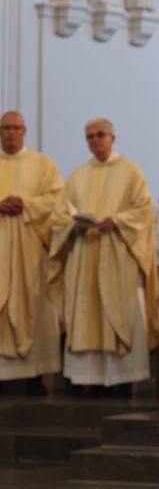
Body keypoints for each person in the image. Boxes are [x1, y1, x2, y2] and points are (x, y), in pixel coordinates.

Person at [48, 117, 159, 393]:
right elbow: (59, 216)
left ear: (113, 138)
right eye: (90, 137)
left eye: (100, 135)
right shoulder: (77, 176)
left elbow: (144, 212)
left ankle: (120, 381)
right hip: (84, 258)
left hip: (118, 257)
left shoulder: (131, 172)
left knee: (117, 313)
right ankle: (91, 381)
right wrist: (73, 226)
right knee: (86, 314)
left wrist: (117, 221)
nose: (95, 141)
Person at [0, 110, 63, 392]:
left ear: (24, 131)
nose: (10, 133)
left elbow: (56, 201)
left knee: (35, 304)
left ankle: (36, 376)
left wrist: (26, 205)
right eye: (5, 128)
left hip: (30, 250)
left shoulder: (43, 164)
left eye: (15, 128)